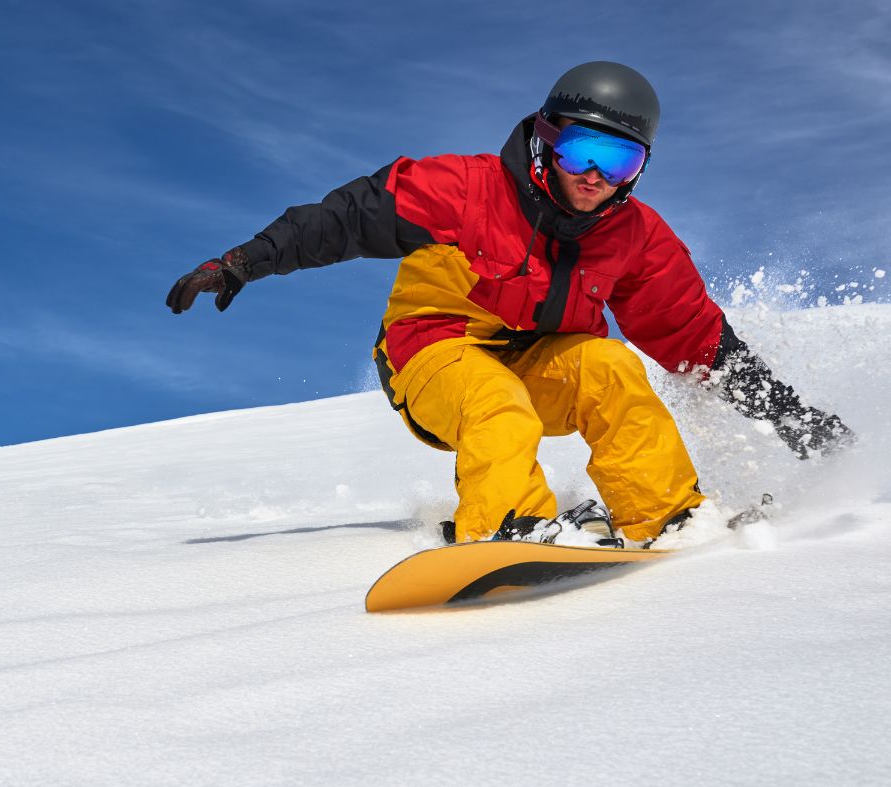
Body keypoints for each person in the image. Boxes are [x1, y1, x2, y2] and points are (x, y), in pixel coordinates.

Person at [165, 61, 853, 547]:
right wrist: (243, 263)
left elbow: (698, 339)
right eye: (582, 150)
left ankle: (665, 517)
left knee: (612, 368)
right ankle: (505, 527)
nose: (592, 177)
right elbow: (343, 218)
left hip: (538, 359)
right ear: (548, 140)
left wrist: (795, 419)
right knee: (496, 404)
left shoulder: (635, 238)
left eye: (618, 164)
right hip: (432, 351)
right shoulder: (463, 190)